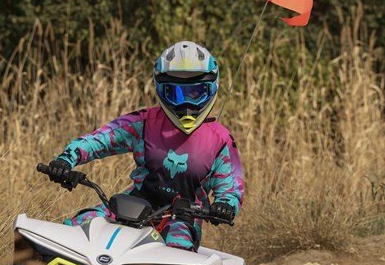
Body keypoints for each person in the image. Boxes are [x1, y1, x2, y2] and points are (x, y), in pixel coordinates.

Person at [45, 41, 244, 251]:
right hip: (133, 204)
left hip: (183, 220)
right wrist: (65, 160)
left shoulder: (220, 139)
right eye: (175, 93)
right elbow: (98, 140)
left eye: (195, 93)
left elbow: (231, 189)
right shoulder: (144, 122)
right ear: (160, 89)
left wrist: (226, 206)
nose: (186, 104)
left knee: (177, 247)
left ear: (212, 88)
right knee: (83, 223)